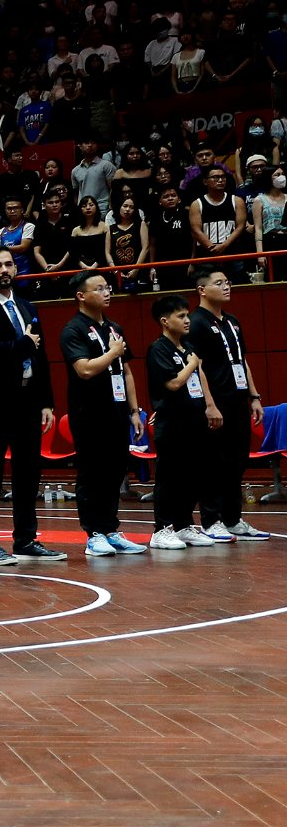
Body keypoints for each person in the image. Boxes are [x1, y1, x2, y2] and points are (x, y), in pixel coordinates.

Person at [0, 244, 64, 565]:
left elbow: (42, 356)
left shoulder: (27, 306)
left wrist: (47, 401)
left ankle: (25, 539)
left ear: (15, 269)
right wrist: (21, 344)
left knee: (28, 473)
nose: (4, 270)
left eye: (8, 264)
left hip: (28, 399)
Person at [61, 272, 148, 557]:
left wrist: (134, 411)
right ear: (81, 296)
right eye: (99, 288)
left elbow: (127, 370)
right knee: (92, 472)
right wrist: (112, 353)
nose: (106, 292)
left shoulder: (114, 327)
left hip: (117, 411)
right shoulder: (73, 330)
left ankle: (111, 529)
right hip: (89, 413)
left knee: (115, 471)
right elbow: (84, 369)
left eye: (107, 287)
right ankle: (93, 534)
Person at [189, 266, 269, 541]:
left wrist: (254, 396)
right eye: (219, 283)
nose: (227, 287)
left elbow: (241, 360)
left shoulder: (233, 321)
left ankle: (233, 519)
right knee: (214, 464)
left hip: (238, 401)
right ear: (202, 290)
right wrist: (209, 404)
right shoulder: (196, 322)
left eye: (228, 282)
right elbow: (195, 367)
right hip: (216, 403)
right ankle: (211, 521)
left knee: (237, 461)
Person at [146, 296, 214, 550]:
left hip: (194, 421)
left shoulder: (185, 346)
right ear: (165, 321)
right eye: (181, 316)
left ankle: (184, 525)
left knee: (192, 476)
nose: (187, 320)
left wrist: (208, 406)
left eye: (187, 315)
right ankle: (161, 529)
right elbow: (173, 383)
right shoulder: (159, 349)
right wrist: (192, 365)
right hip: (172, 423)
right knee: (170, 479)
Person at [189, 165, 249, 269]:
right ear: (205, 182)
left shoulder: (237, 201)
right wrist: (213, 248)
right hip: (206, 254)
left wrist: (224, 246)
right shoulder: (197, 204)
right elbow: (196, 230)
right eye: (215, 177)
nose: (220, 180)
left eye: (223, 177)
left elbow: (240, 227)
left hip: (233, 253)